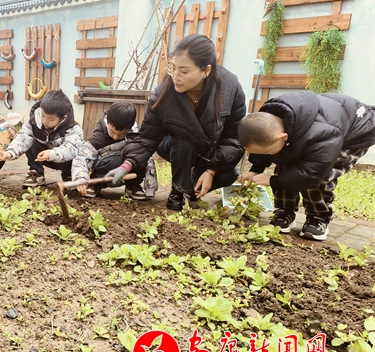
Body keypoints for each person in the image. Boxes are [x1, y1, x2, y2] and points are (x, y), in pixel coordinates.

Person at [106, 34, 246, 210]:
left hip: (208, 152)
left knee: (228, 175)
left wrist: (211, 171)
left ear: (206, 71)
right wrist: (126, 166)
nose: (175, 76)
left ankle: (189, 186)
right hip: (175, 146)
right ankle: (178, 190)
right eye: (173, 68)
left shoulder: (230, 89)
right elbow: (148, 138)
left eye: (184, 72)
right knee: (185, 140)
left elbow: (234, 138)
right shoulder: (162, 94)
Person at [237, 91, 375, 241]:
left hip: (353, 136)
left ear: (283, 137)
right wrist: (255, 170)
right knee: (286, 167)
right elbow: (263, 147)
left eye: (268, 152)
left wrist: (272, 181)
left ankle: (318, 217)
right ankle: (285, 211)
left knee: (319, 177)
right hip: (319, 126)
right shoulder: (268, 118)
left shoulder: (323, 134)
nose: (267, 154)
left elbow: (312, 173)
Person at [0, 89, 84, 186]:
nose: (45, 121)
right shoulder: (34, 123)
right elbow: (22, 138)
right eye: (43, 115)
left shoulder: (72, 128)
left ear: (63, 118)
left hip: (63, 160)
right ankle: (36, 173)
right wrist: (10, 153)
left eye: (51, 119)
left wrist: (51, 153)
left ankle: (69, 176)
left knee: (75, 152)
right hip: (41, 157)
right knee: (30, 142)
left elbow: (71, 148)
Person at [72, 101, 158, 200]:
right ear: (107, 119)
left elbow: (145, 155)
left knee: (138, 158)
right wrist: (80, 177)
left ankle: (132, 185)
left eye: (123, 134)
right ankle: (95, 183)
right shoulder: (98, 138)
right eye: (112, 132)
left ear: (130, 127)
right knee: (116, 161)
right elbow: (82, 157)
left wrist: (150, 185)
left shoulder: (134, 135)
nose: (116, 137)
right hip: (105, 169)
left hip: (128, 172)